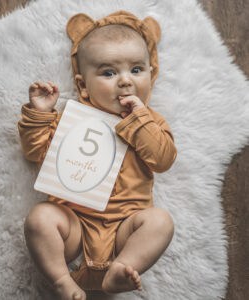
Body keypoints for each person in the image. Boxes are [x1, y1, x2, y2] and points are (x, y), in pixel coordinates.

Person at [18, 10, 177, 300]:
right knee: (40, 218)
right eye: (108, 72)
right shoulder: (73, 120)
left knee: (160, 222)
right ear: (82, 85)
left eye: (137, 70)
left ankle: (123, 268)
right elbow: (35, 152)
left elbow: (163, 160)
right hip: (75, 225)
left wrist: (139, 121)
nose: (126, 81)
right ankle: (60, 279)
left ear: (151, 75)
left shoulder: (151, 122)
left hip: (125, 230)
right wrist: (40, 115)